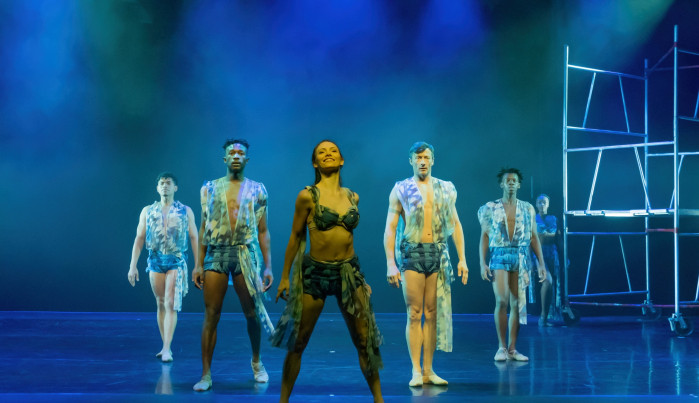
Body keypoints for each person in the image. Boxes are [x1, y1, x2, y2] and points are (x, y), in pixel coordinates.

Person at [272, 140, 383, 403]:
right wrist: (285, 276)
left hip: (348, 272)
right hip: (316, 274)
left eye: (333, 151)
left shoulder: (352, 196)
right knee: (298, 342)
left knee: (365, 341)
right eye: (322, 152)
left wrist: (360, 278)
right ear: (315, 163)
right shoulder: (307, 196)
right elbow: (295, 236)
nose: (328, 154)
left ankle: (379, 400)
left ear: (341, 160)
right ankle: (283, 401)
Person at [384, 141, 469, 387]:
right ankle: (416, 370)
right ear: (411, 160)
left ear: (433, 160)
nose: (422, 161)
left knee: (432, 314)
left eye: (426, 157)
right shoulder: (401, 189)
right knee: (414, 313)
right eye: (418, 157)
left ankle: (429, 370)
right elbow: (390, 228)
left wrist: (462, 258)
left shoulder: (445, 188)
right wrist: (391, 263)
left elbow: (456, 224)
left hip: (437, 253)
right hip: (412, 252)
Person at [192, 139, 274, 391]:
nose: (236, 156)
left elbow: (263, 231)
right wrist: (198, 264)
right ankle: (206, 374)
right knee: (211, 315)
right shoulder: (209, 188)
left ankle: (257, 361)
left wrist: (268, 266)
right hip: (216, 252)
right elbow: (203, 227)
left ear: (246, 159)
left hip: (245, 254)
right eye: (232, 152)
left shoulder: (257, 189)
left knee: (252, 314)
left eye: (241, 153)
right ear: (225, 158)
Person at [127, 172, 198, 363]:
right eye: (161, 183)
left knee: (170, 302)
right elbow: (139, 238)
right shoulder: (148, 211)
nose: (165, 185)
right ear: (157, 188)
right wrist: (133, 265)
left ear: (175, 187)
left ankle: (167, 348)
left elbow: (194, 237)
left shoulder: (185, 210)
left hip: (176, 259)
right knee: (160, 302)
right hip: (155, 259)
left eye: (168, 183)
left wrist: (197, 266)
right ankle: (164, 345)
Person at [478, 168, 546, 362]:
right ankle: (501, 347)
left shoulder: (527, 208)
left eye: (514, 180)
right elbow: (484, 236)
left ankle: (512, 348)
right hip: (499, 255)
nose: (510, 183)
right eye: (507, 180)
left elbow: (534, 237)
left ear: (519, 185)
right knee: (502, 301)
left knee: (517, 304)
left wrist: (541, 264)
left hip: (520, 256)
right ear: (501, 184)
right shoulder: (490, 207)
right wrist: (482, 262)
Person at [532, 194, 560, 326]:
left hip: (552, 253)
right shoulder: (533, 219)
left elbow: (557, 238)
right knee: (547, 281)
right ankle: (542, 317)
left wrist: (565, 257)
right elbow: (532, 239)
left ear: (548, 204)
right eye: (539, 202)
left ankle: (547, 316)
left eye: (544, 202)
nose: (542, 205)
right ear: (536, 204)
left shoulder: (553, 219)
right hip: (538, 254)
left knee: (552, 284)